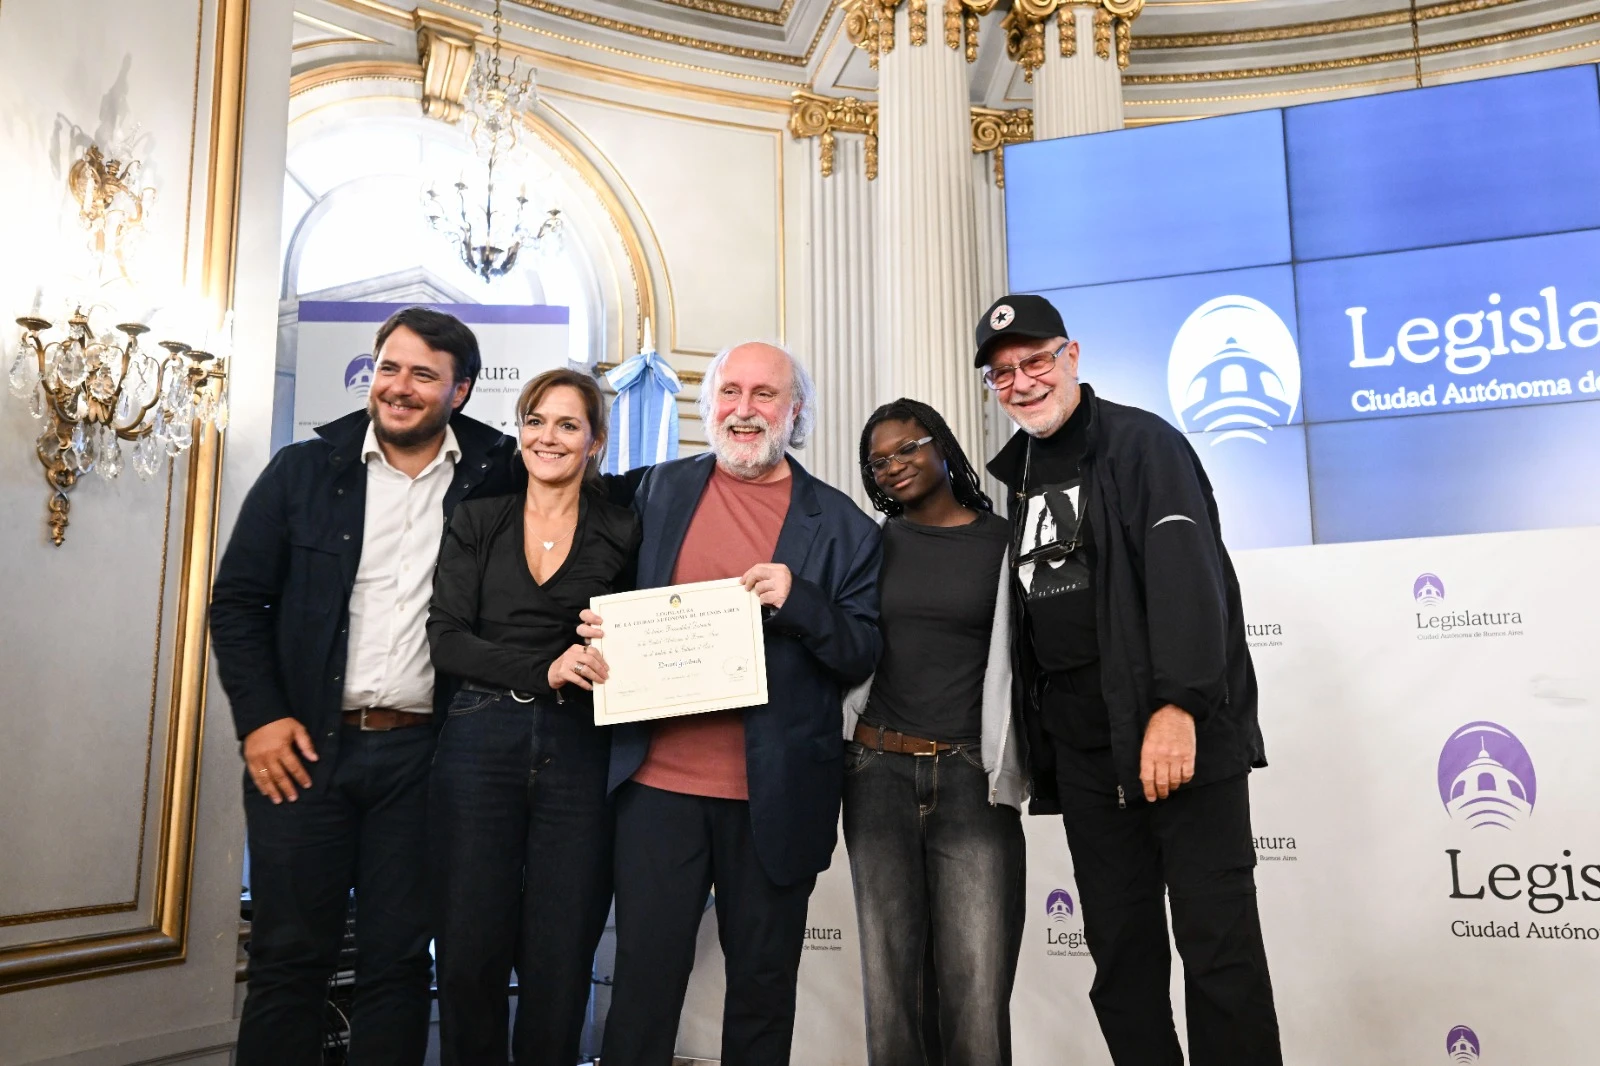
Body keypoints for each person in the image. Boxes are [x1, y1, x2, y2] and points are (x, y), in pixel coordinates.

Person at [974, 294, 1282, 1066]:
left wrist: (1178, 707)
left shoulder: (1146, 445)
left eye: (1036, 361)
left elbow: (1189, 581)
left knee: (1219, 953)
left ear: (1072, 357)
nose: (1022, 382)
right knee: (1121, 959)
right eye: (1003, 373)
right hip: (1087, 754)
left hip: (1180, 740)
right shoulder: (1022, 475)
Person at [210, 307, 518, 1066]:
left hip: (427, 760)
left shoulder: (500, 473)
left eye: (423, 374)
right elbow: (238, 603)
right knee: (288, 958)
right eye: (388, 367)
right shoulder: (302, 470)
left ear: (461, 391)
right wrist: (260, 720)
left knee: (398, 963)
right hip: (303, 749)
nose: (399, 388)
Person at [587, 341, 882, 1066]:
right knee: (644, 989)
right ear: (707, 402)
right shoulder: (655, 489)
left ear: (796, 412)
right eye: (730, 392)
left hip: (773, 800)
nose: (744, 411)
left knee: (761, 989)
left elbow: (863, 653)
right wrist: (593, 625)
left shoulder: (844, 526)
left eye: (765, 395)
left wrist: (802, 602)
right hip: (656, 790)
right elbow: (584, 562)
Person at [426, 368, 640, 1066]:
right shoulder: (478, 519)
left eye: (568, 425)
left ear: (595, 441)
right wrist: (543, 669)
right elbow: (448, 640)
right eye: (537, 420)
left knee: (561, 952)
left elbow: (640, 634)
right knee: (466, 950)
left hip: (580, 750)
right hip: (477, 740)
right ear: (521, 432)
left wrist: (620, 646)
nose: (549, 437)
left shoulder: (622, 527)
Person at [843, 398, 1026, 1065]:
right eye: (878, 460)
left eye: (907, 447)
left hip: (971, 779)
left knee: (976, 993)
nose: (894, 466)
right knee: (893, 993)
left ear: (942, 444)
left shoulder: (1005, 543)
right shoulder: (869, 543)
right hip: (875, 773)